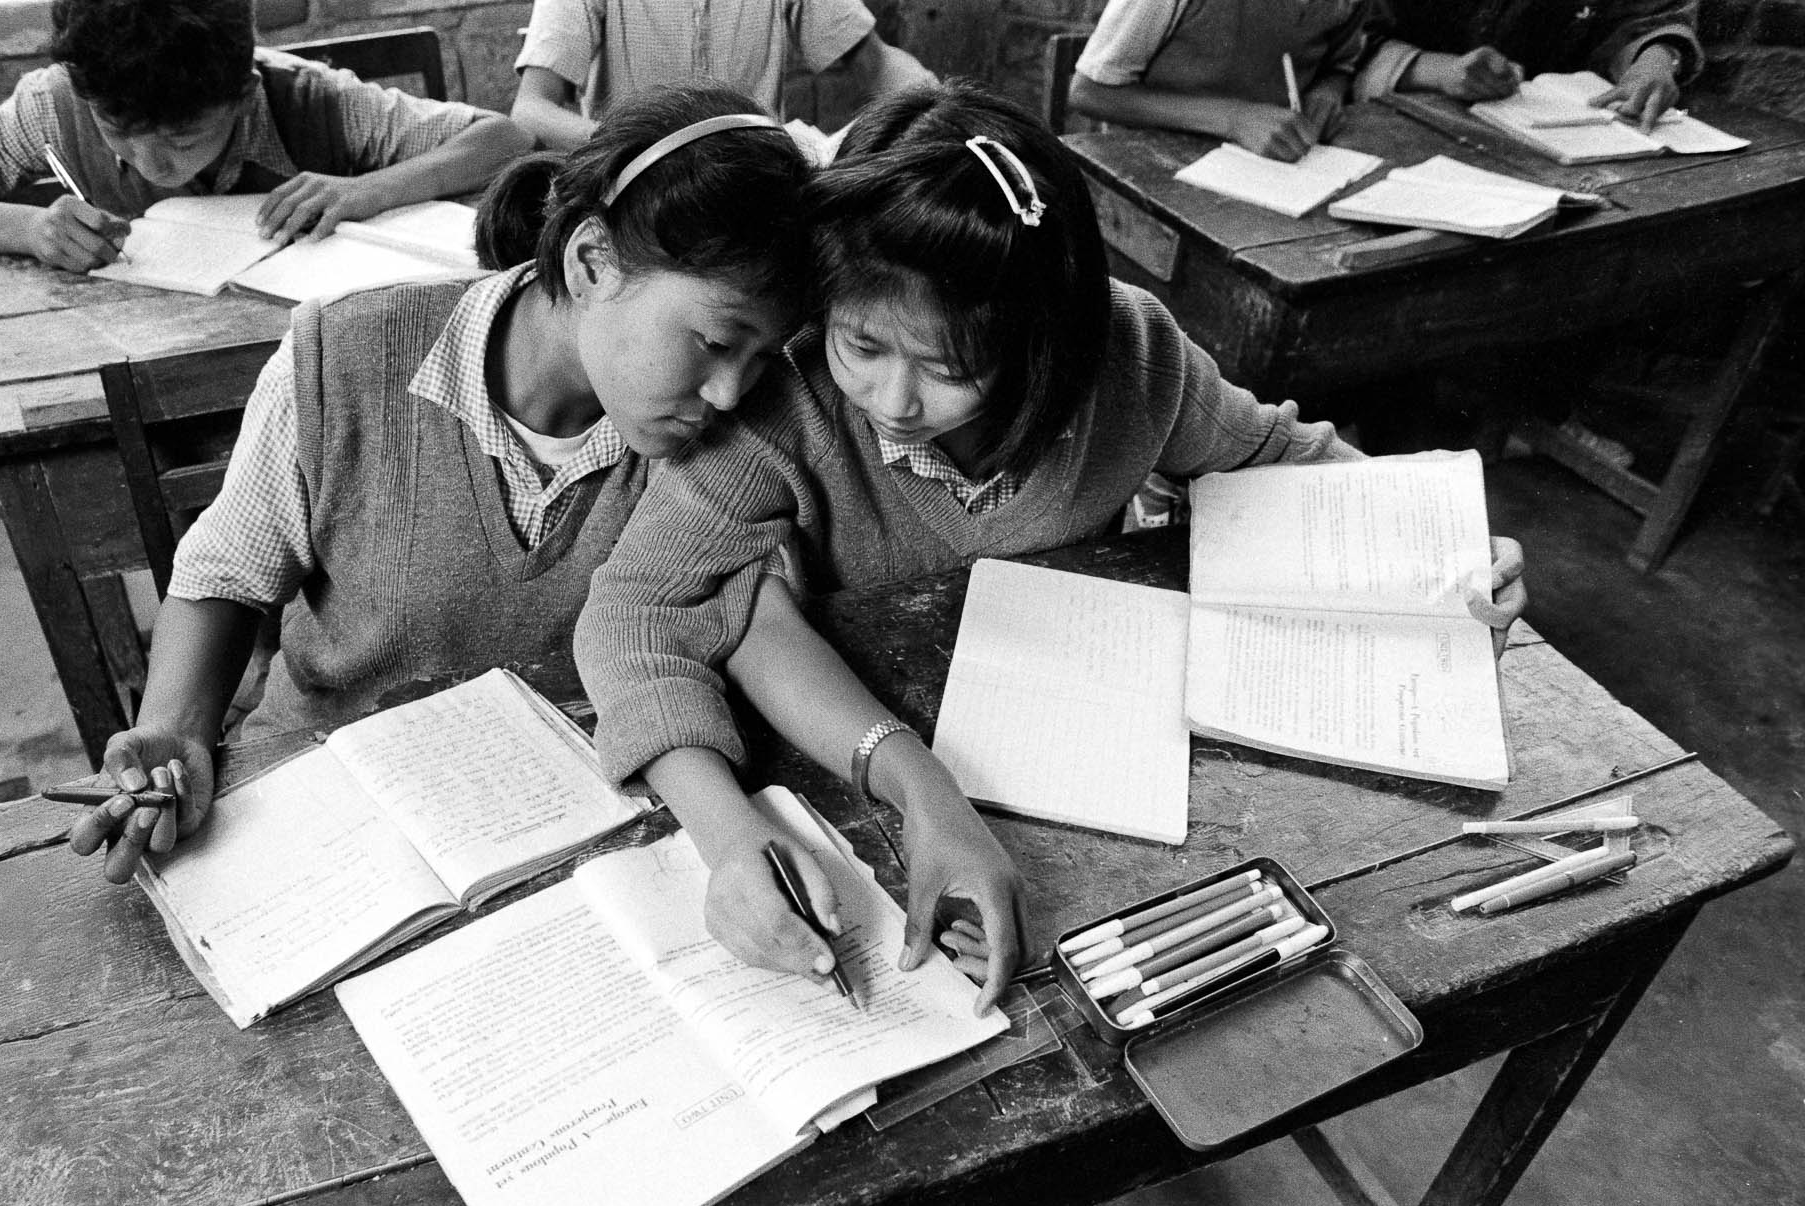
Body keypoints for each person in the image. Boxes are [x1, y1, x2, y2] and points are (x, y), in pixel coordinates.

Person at [574, 81, 1528, 1012]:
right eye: (863, 345)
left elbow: (1280, 452)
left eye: (949, 369)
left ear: (1042, 348)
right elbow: (633, 612)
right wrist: (730, 836)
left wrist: (1432, 548)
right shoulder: (790, 404)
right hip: (853, 758)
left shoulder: (1128, 360)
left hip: (1104, 759)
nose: (895, 402)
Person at [67, 84, 813, 884]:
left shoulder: (733, 437)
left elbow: (745, 628)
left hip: (570, 830)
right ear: (591, 261)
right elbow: (226, 573)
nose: (731, 391)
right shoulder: (345, 359)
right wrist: (178, 730)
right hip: (330, 813)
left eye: (761, 356)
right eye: (712, 340)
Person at [0, 0, 532, 273]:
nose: (152, 162)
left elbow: (503, 138)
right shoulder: (56, 101)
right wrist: (27, 231)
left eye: (184, 135)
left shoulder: (306, 98)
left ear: (240, 96)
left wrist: (368, 188)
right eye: (119, 130)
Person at [510, 0, 934, 152]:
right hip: (636, 183)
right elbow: (531, 110)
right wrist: (650, 148)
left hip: (753, 181)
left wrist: (935, 104)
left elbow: (878, 66)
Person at [1065, 0, 1371, 161]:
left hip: (1271, 168)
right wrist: (1234, 118)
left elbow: (1339, 63)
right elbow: (1088, 92)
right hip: (1151, 171)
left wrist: (1328, 89)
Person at [1355, 0, 1702, 131]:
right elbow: (1339, 40)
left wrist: (1655, 57)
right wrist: (1437, 70)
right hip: (1409, 129)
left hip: (1556, 131)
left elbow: (1648, 16)